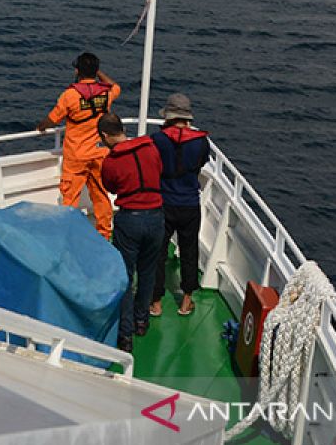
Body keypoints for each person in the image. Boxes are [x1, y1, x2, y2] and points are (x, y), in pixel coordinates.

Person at [98, 112, 165, 352]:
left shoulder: (112, 161)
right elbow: (159, 170)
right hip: (157, 217)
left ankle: (125, 335)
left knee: (126, 276)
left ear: (105, 135)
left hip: (130, 220)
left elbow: (110, 186)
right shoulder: (151, 148)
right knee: (147, 272)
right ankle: (141, 321)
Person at [35, 52, 121, 239]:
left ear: (77, 70)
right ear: (96, 71)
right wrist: (99, 74)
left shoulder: (70, 95)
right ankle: (105, 234)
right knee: (100, 196)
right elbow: (116, 87)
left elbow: (52, 119)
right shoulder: (105, 94)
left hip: (76, 156)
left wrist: (41, 127)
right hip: (99, 153)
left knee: (70, 198)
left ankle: (68, 236)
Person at [150, 93, 211, 318]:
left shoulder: (157, 140)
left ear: (168, 116)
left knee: (158, 252)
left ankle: (155, 302)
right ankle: (186, 301)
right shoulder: (201, 142)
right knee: (189, 251)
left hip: (163, 203)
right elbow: (201, 163)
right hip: (189, 204)